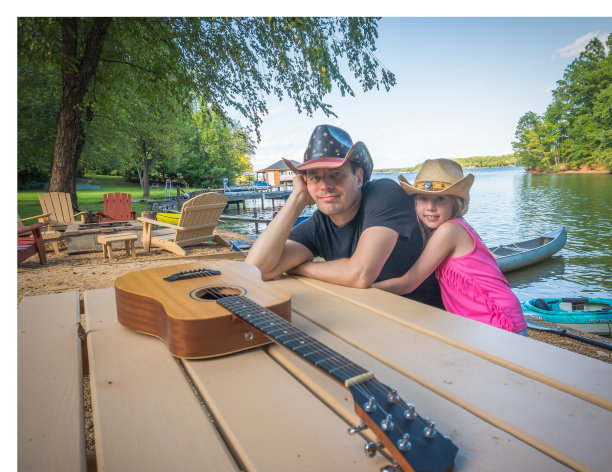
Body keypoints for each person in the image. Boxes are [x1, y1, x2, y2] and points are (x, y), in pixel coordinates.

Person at [245, 124, 443, 308]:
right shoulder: (318, 225)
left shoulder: (384, 193)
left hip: (430, 320)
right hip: (366, 315)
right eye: (315, 177)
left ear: (358, 177)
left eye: (336, 174)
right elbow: (255, 269)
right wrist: (296, 199)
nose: (325, 185)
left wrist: (299, 267)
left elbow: (359, 274)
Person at [371, 158, 528, 335]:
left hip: (497, 317)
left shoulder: (450, 230)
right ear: (414, 202)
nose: (430, 207)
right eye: (423, 198)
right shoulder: (453, 228)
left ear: (456, 203)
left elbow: (408, 283)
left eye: (440, 199)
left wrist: (366, 287)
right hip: (486, 319)